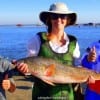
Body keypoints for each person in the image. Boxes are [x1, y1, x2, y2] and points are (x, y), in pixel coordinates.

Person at [17, 2, 81, 100]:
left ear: (67, 19)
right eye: (54, 16)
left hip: (67, 96)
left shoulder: (73, 42)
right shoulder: (37, 40)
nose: (59, 19)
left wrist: (89, 68)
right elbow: (30, 65)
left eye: (63, 16)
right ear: (49, 19)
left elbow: (78, 66)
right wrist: (24, 71)